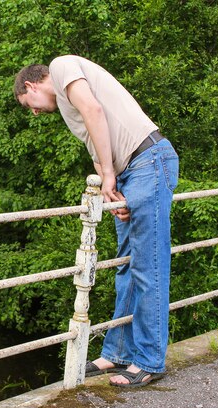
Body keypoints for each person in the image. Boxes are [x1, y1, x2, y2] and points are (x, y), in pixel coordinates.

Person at [14, 55, 178, 388]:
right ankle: (117, 352)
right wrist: (112, 188)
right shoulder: (65, 106)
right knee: (125, 266)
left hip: (149, 160)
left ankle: (149, 360)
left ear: (31, 85)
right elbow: (94, 138)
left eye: (27, 104)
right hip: (130, 173)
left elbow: (95, 112)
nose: (33, 112)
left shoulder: (61, 68)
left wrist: (106, 176)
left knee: (148, 266)